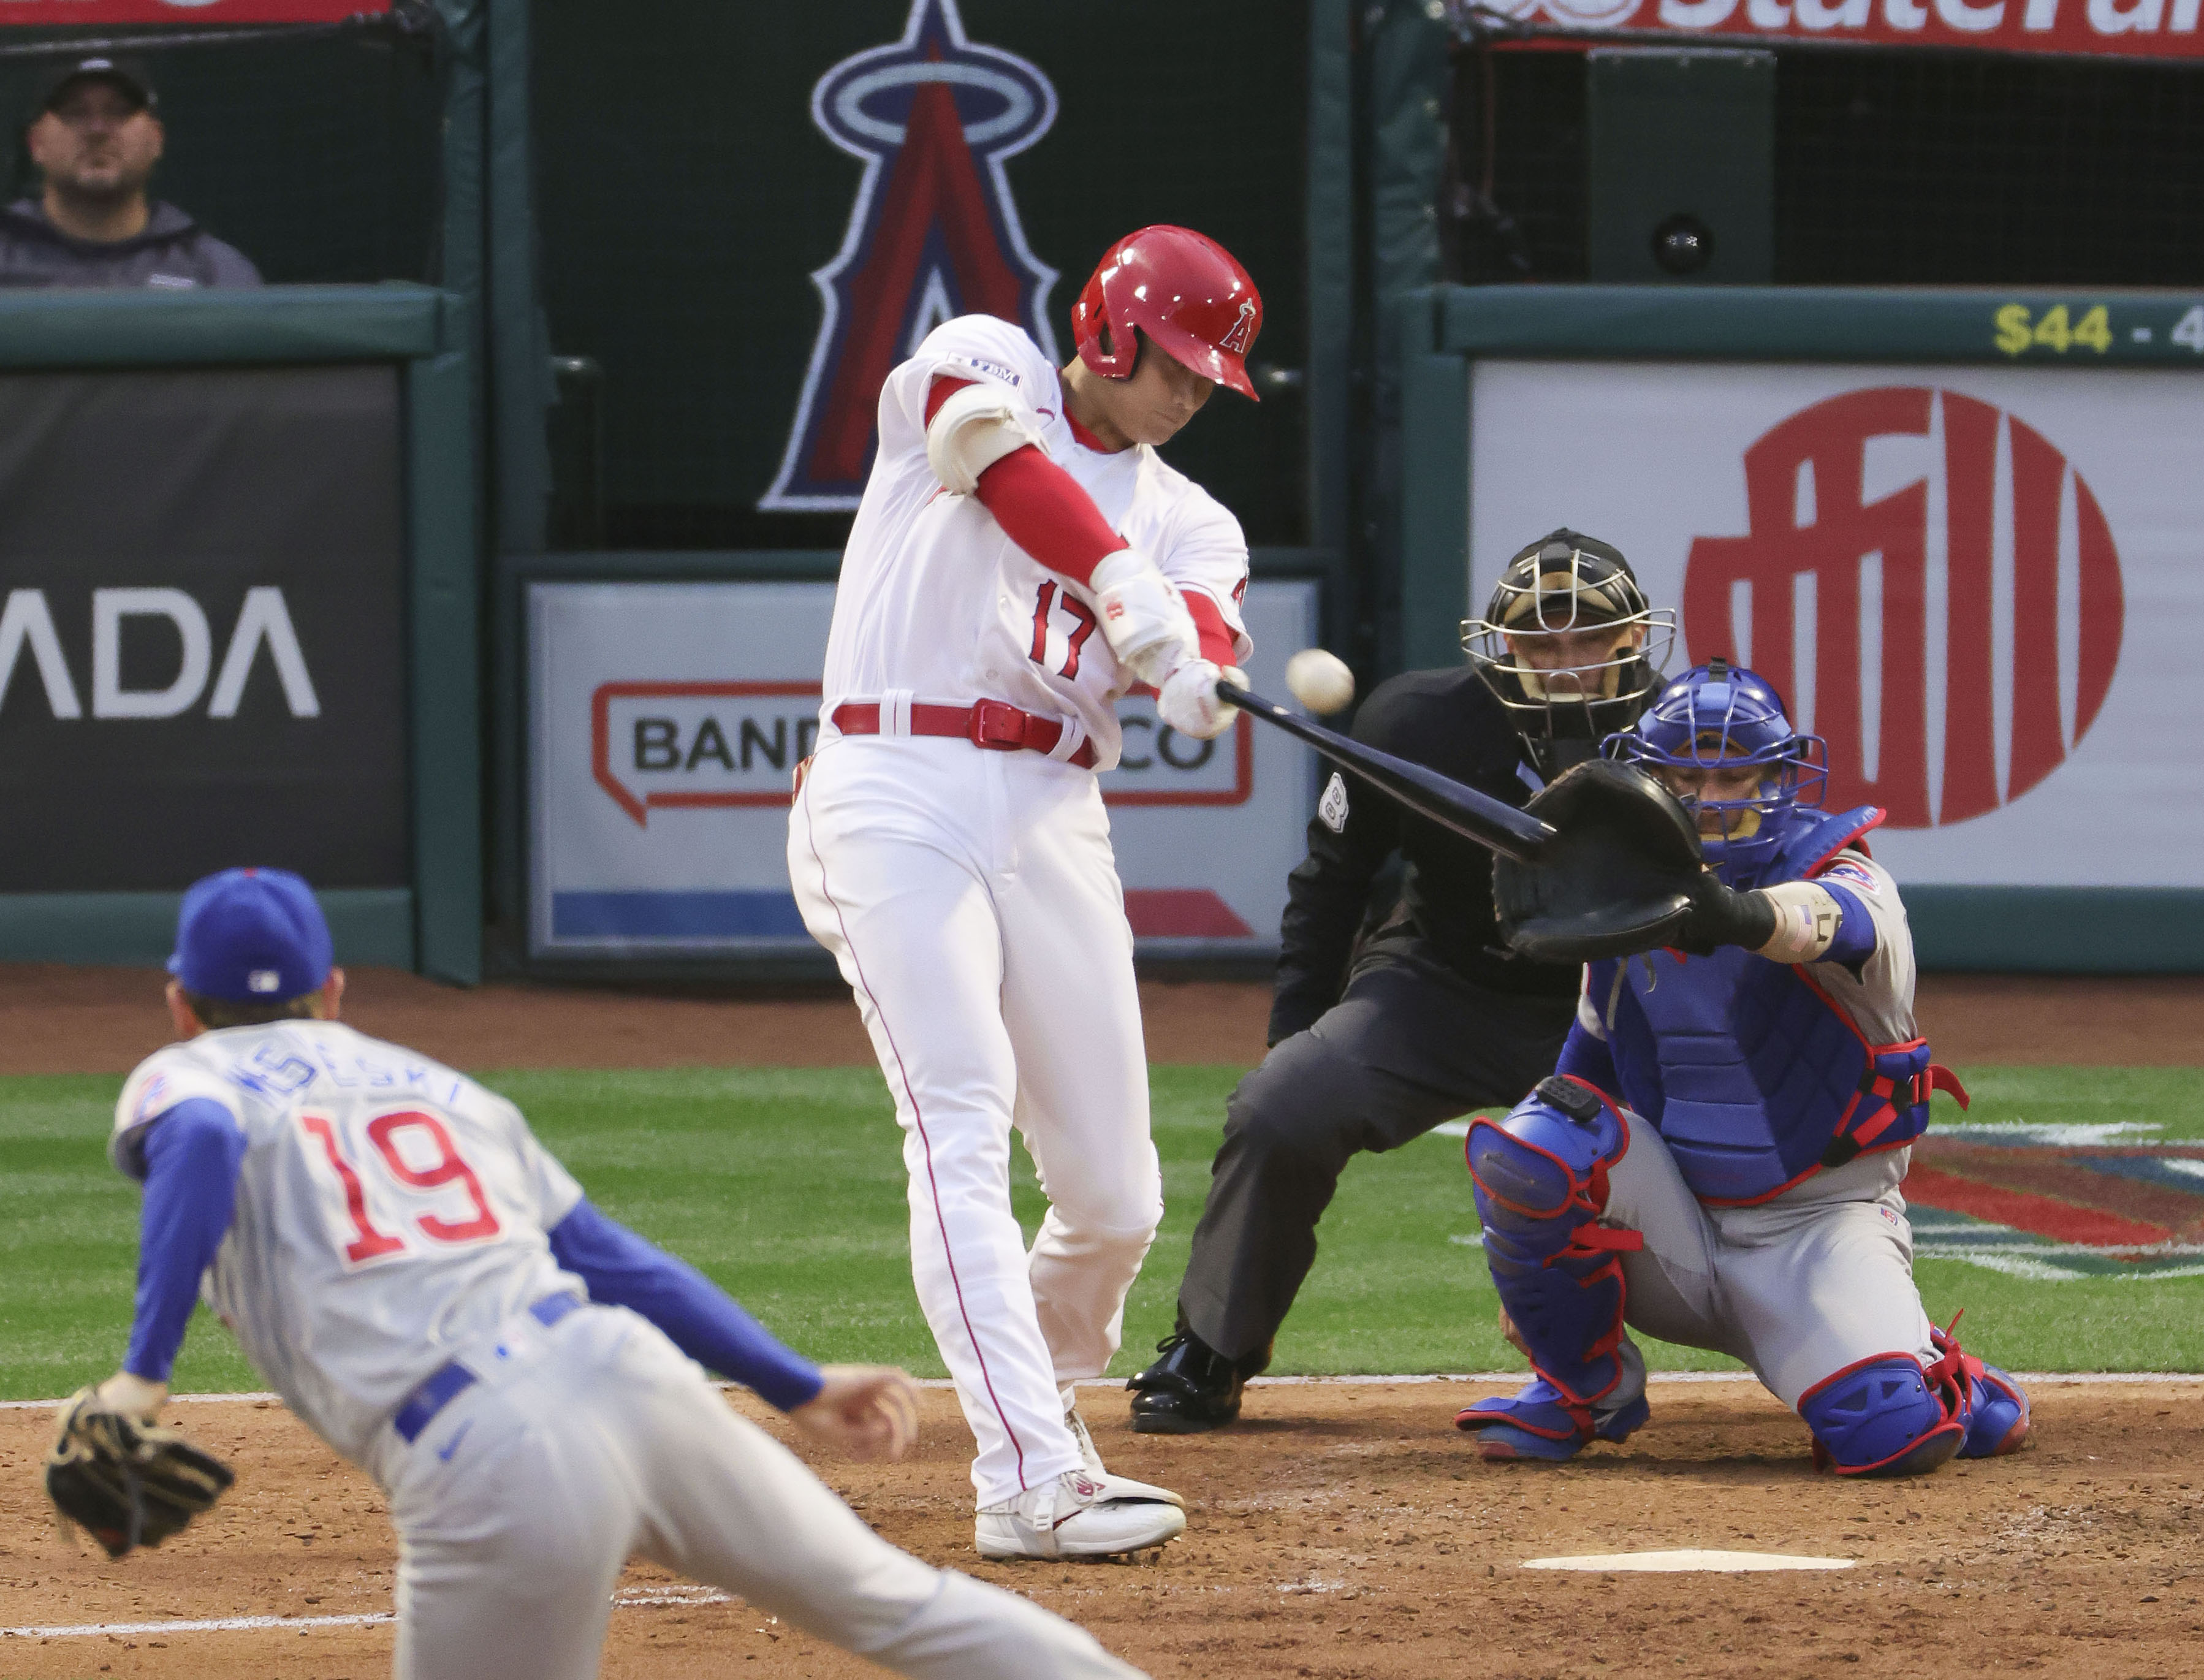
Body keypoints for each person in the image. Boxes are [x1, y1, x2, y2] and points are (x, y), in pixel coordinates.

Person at [87, 867, 1147, 1680]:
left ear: (179, 1003)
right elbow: (607, 1257)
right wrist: (793, 1382)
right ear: (334, 990)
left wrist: (144, 1370)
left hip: (488, 1457)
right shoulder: (439, 1087)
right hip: (635, 1380)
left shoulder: (184, 1077)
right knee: (898, 1606)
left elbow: (206, 1148)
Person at [786, 226, 1263, 1559]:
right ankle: (1029, 1474)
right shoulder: (981, 354)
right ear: (1109, 329)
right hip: (893, 773)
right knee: (956, 1111)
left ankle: (1035, 1401)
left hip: (1054, 804)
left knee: (1114, 1196)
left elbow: (1208, 625)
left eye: (1205, 376)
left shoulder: (1193, 514)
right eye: (1172, 361)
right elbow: (1000, 470)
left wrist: (1192, 671)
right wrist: (1121, 587)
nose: (1184, 393)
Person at [1127, 530, 1672, 1432]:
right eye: (1541, 641)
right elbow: (1331, 881)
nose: (1566, 661)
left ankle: (1835, 1347)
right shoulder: (1416, 723)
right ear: (1502, 645)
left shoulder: (1692, 727)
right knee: (1284, 1105)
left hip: (1629, 1001)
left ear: (1632, 639)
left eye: (1589, 637)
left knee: (1749, 1134)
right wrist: (1292, 1035)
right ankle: (1212, 1346)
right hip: (1445, 984)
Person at [1455, 661, 2032, 1475]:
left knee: (1889, 1436)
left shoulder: (1847, 872)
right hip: (1678, 1226)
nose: (1712, 798)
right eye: (1687, 777)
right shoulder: (1630, 899)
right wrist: (1529, 1278)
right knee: (1534, 1146)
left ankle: (1938, 1376)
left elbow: (1828, 923)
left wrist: (1734, 914)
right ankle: (1582, 1387)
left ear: (1780, 778)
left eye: (1735, 774)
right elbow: (1582, 1080)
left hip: (1820, 1229)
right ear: (1650, 782)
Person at [0, 56, 260, 290]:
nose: (97, 130)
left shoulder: (215, 274)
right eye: (75, 112)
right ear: (36, 143)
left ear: (156, 139)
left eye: (120, 111)